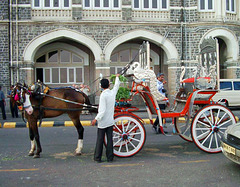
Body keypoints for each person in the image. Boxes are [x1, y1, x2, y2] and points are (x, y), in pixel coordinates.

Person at [91, 74, 120, 163]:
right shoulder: (112, 93)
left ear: (101, 87)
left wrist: (96, 119)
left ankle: (98, 157)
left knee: (100, 140)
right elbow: (116, 86)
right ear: (108, 85)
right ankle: (110, 157)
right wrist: (117, 77)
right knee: (109, 139)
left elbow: (102, 111)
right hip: (110, 121)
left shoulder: (103, 95)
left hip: (103, 123)